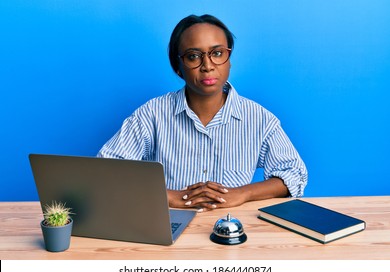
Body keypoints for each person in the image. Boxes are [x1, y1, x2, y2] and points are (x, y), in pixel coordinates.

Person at [97, 14, 308, 212]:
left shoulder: (259, 118)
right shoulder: (152, 114)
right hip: (169, 225)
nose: (207, 66)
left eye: (217, 53)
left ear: (229, 59)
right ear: (178, 67)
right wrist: (169, 196)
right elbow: (106, 171)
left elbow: (294, 175)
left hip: (233, 230)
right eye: (193, 56)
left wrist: (243, 193)